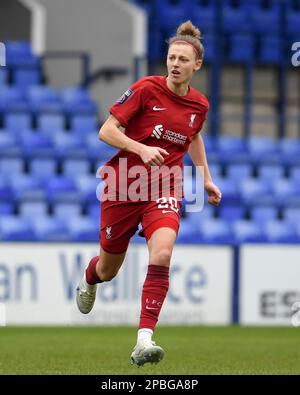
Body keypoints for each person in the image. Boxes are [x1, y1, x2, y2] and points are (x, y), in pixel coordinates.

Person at [76, 20, 222, 367]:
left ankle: (144, 340)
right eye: (171, 57)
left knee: (163, 253)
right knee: (109, 269)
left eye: (183, 60)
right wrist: (140, 149)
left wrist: (205, 178)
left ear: (196, 65)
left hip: (164, 187)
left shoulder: (199, 105)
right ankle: (89, 277)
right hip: (124, 184)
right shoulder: (145, 89)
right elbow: (106, 130)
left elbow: (194, 135)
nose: (175, 64)